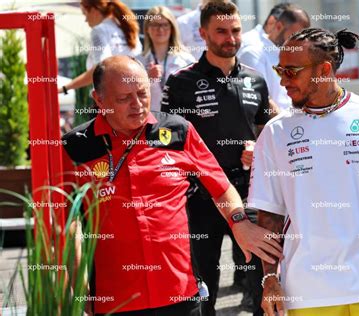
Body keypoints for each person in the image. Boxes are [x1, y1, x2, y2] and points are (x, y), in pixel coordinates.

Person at [62, 55, 282, 315]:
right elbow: (66, 222)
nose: (137, 105)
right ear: (99, 100)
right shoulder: (75, 147)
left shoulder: (178, 131)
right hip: (115, 300)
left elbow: (220, 187)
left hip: (180, 294)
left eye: (143, 93)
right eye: (124, 98)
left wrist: (238, 221)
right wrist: (76, 282)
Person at [248, 28, 359, 316]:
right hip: (306, 293)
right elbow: (270, 214)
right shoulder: (275, 132)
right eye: (279, 70)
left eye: (291, 71)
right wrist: (269, 278)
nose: (282, 81)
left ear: (324, 69)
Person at [161, 2, 278, 315]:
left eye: (236, 30)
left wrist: (259, 149)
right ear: (203, 34)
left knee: (259, 278)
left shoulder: (256, 79)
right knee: (203, 282)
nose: (231, 38)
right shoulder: (181, 82)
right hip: (201, 195)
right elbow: (168, 146)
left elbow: (268, 131)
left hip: (249, 194)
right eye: (221, 31)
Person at [58, 0, 141, 95]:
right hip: (134, 92)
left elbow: (101, 68)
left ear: (94, 10)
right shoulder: (128, 29)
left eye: (85, 14)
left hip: (111, 96)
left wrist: (65, 88)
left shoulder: (99, 30)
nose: (86, 20)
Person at [237, 3, 310, 111]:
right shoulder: (253, 52)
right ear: (279, 26)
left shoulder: (286, 52)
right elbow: (260, 97)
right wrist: (281, 124)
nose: (299, 42)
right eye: (294, 36)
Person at [138, 6, 195, 112]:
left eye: (165, 25)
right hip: (150, 120)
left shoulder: (187, 60)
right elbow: (129, 93)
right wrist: (146, 79)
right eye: (155, 25)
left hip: (178, 120)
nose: (160, 29)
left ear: (172, 28)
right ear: (147, 28)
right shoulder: (137, 62)